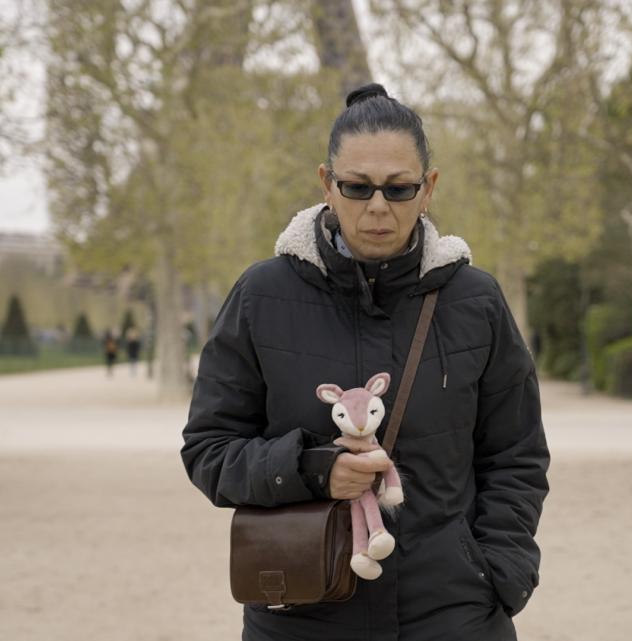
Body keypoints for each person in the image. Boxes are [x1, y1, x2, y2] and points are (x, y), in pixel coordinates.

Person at [180, 83, 549, 641]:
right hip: (302, 614)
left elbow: (516, 453)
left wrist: (500, 574)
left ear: (429, 189)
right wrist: (313, 468)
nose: (378, 207)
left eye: (399, 189)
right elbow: (209, 451)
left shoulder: (476, 300)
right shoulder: (260, 296)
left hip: (455, 617)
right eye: (357, 187)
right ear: (327, 183)